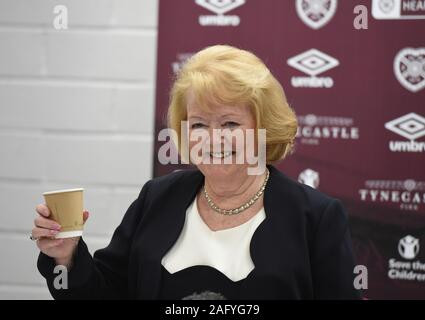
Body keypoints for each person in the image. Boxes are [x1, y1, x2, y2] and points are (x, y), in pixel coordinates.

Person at [32, 45, 361, 299]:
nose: (213, 138)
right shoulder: (156, 198)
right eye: (199, 124)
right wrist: (67, 258)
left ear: (263, 129)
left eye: (230, 123)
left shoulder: (315, 218)